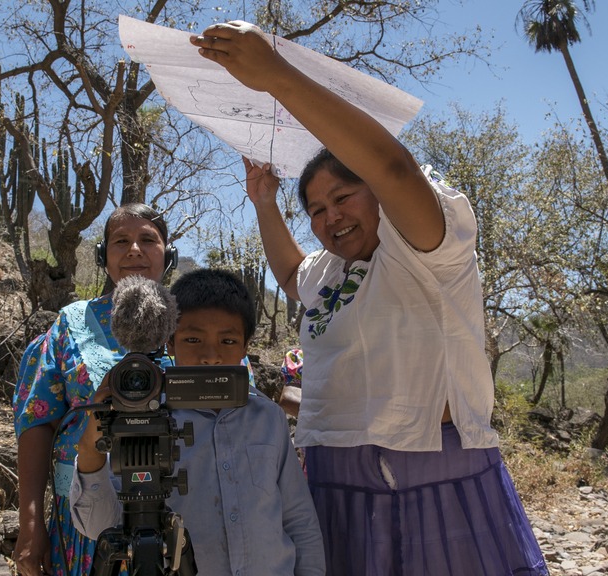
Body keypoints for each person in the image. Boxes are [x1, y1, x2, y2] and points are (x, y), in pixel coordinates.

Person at [190, 21, 549, 576]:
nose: (330, 216)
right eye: (315, 209)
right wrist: (264, 200)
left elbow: (393, 167)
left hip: (431, 480)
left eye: (343, 195)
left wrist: (276, 77)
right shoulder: (331, 273)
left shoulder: (426, 245)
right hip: (335, 484)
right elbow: (289, 273)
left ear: (376, 194)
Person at [70, 269, 326, 576]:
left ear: (245, 347)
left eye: (228, 340)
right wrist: (90, 450)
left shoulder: (268, 417)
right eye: (193, 339)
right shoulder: (144, 420)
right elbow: (99, 525)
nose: (210, 356)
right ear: (170, 344)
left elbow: (298, 518)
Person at [12, 203, 178, 576]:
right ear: (104, 257)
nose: (134, 249)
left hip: (182, 521)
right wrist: (31, 525)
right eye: (121, 241)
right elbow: (36, 423)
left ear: (169, 255)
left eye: (148, 240)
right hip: (85, 524)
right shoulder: (72, 324)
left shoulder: (197, 322)